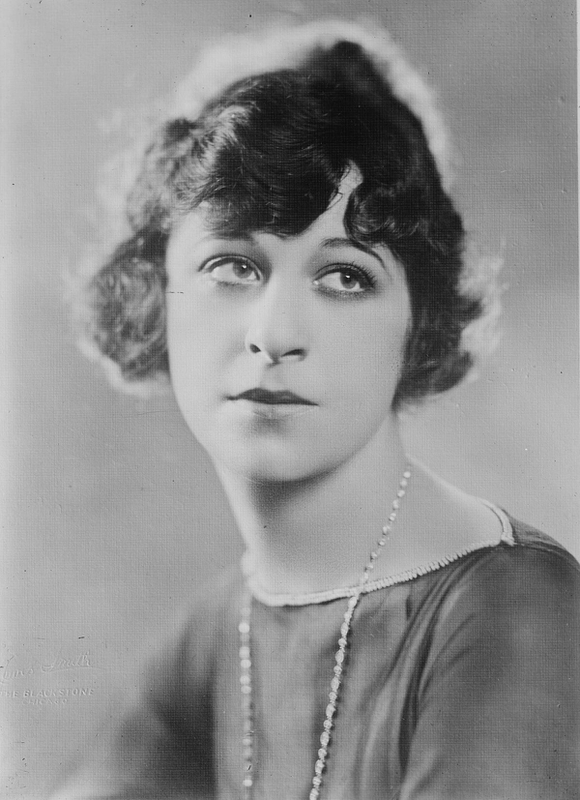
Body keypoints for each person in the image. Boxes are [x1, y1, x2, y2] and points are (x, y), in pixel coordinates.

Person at [52, 19, 579, 800]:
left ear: (419, 323)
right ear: (157, 297)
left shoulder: (514, 606)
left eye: (344, 277)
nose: (274, 335)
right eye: (234, 265)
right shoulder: (222, 630)